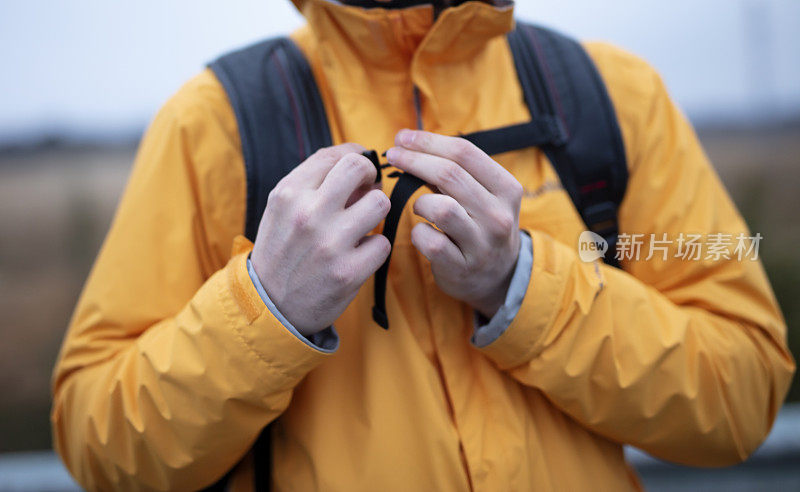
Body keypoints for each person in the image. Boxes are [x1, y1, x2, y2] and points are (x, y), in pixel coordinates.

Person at [51, 0, 795, 490]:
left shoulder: (610, 96)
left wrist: (523, 286)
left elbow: (743, 395)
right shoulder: (213, 123)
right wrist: (265, 311)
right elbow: (97, 439)